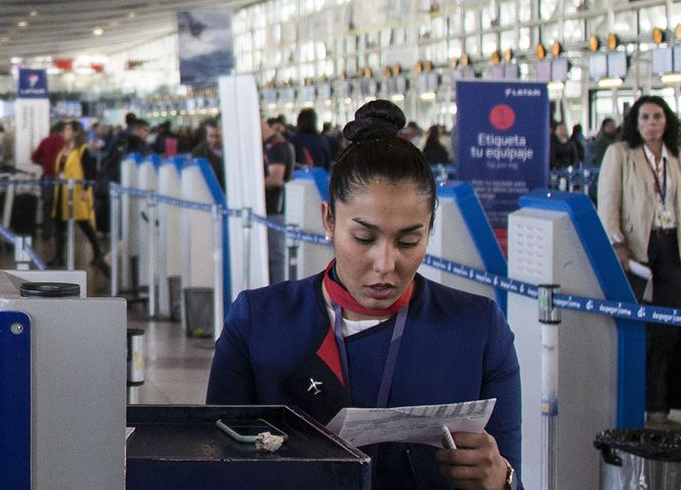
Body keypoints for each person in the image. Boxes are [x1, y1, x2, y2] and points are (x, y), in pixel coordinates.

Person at [208, 100, 520, 489]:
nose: (386, 264)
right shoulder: (259, 323)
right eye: (364, 238)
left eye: (409, 241)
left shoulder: (476, 329)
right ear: (328, 220)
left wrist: (501, 478)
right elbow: (216, 470)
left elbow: (510, 471)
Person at [597, 95, 681, 426]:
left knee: (666, 328)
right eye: (645, 118)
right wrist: (617, 245)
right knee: (633, 326)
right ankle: (626, 398)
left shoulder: (679, 157)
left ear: (667, 121)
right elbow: (608, 202)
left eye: (657, 116)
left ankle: (658, 402)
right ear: (635, 123)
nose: (652, 123)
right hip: (638, 249)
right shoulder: (621, 155)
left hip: (671, 247)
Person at [50, 120, 108, 270]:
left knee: (84, 223)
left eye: (68, 130)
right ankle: (59, 256)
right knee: (59, 225)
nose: (65, 132)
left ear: (76, 132)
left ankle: (97, 251)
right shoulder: (63, 150)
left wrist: (85, 188)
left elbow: (90, 171)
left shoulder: (83, 150)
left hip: (77, 193)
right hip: (62, 191)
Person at [263, 117, 295, 283]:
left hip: (276, 208)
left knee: (277, 255)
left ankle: (279, 291)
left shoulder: (275, 147)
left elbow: (276, 178)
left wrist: (251, 187)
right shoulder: (269, 146)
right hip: (270, 209)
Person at [31, 121, 65, 239]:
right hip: (62, 178)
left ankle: (46, 233)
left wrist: (44, 163)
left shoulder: (45, 141)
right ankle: (60, 233)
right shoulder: (65, 142)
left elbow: (34, 157)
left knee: (47, 205)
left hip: (48, 177)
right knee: (61, 205)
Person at [191, 118, 225, 190]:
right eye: (211, 136)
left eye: (218, 136)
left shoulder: (231, 150)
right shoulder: (199, 152)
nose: (214, 140)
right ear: (206, 136)